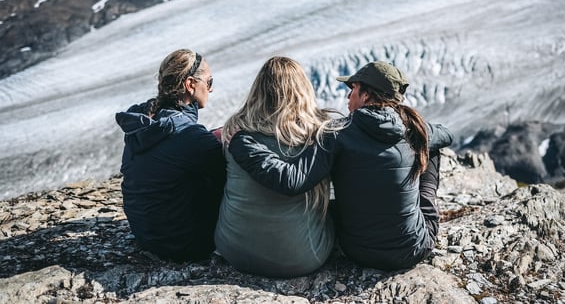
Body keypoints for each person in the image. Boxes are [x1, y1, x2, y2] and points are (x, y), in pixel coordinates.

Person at [229, 61, 453, 271]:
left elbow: (292, 180)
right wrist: (418, 133)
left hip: (358, 251)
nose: (348, 95)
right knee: (430, 148)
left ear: (365, 95)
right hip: (414, 248)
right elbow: (446, 134)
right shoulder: (412, 130)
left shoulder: (337, 133)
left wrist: (242, 144)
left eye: (353, 89)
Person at [214, 56, 339, 277]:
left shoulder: (234, 131)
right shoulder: (317, 136)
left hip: (233, 249)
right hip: (300, 258)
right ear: (303, 91)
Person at [115, 49, 226, 262]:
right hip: (184, 244)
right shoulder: (188, 135)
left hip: (146, 235)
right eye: (209, 82)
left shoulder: (141, 122)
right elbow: (227, 174)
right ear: (191, 85)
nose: (210, 90)